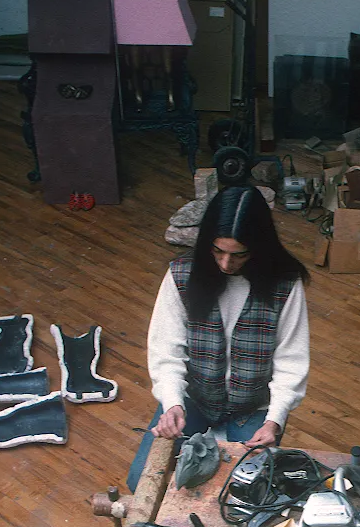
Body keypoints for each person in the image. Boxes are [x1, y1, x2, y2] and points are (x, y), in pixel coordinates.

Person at [128, 187, 310, 489]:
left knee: (247, 490)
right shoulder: (181, 274)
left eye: (238, 254)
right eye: (217, 251)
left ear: (260, 247)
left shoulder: (286, 283)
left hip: (254, 408)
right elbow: (166, 350)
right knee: (141, 483)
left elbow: (291, 358)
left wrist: (274, 419)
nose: (226, 264)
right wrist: (172, 402)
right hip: (194, 400)